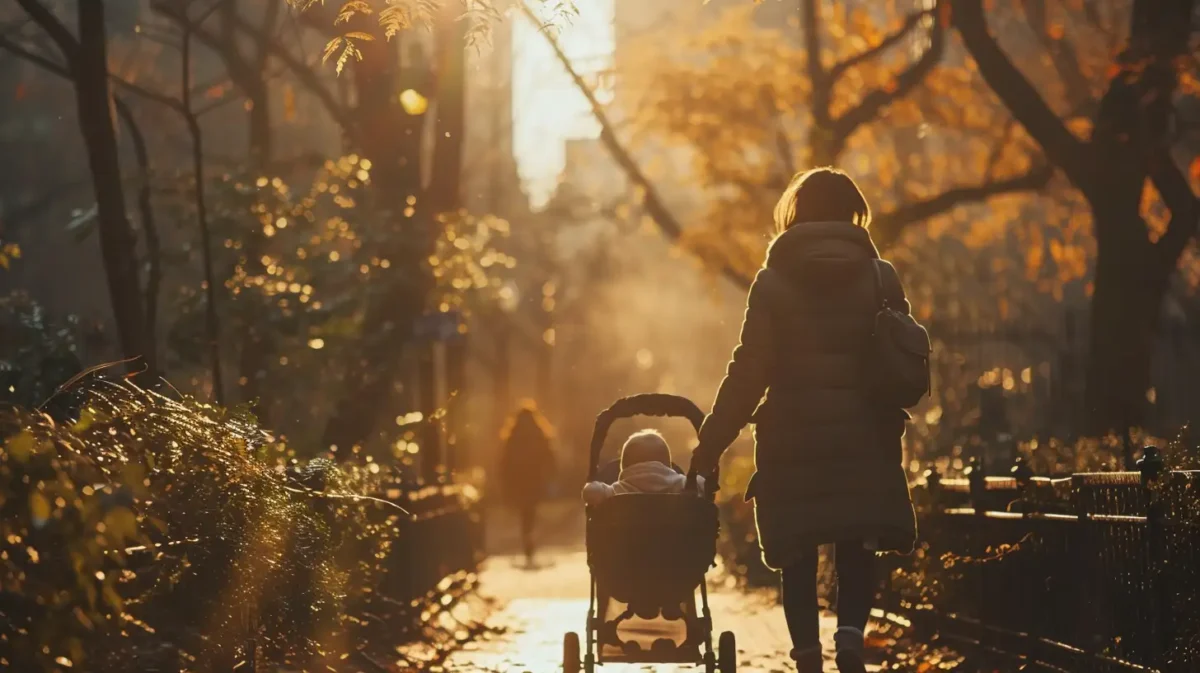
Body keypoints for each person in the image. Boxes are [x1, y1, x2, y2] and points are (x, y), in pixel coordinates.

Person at [689, 167, 917, 673]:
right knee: (857, 541)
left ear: (795, 213)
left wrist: (712, 442)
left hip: (792, 438)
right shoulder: (881, 277)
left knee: (797, 547)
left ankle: (807, 656)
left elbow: (749, 370)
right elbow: (901, 355)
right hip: (864, 434)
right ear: (853, 215)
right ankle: (852, 641)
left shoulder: (772, 282)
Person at [498, 401, 556, 566]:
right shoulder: (538, 433)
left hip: (519, 480)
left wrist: (505, 481)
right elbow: (549, 456)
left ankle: (527, 536)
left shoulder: (513, 436)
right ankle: (528, 535)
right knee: (530, 510)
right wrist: (550, 474)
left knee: (525, 510)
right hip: (534, 479)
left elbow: (504, 461)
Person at [582, 429, 705, 505]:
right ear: (668, 464)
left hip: (628, 545)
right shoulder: (679, 484)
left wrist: (593, 482)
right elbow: (704, 484)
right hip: (674, 545)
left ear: (624, 466)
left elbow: (590, 492)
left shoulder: (620, 490)